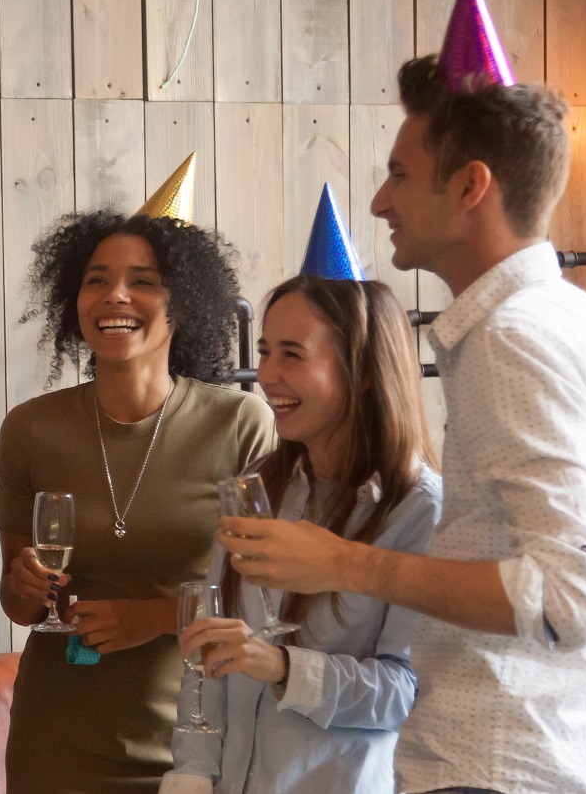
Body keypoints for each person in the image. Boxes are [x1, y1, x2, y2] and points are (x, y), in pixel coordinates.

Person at [219, 55, 586, 793]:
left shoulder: (513, 336)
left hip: (496, 758)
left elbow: (570, 597)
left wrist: (342, 563)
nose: (378, 200)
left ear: (470, 186)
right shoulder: (563, 316)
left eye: (398, 172)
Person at [0, 210, 276, 793]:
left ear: (185, 303)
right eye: (96, 279)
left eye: (142, 281)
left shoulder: (241, 423)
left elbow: (266, 602)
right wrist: (21, 586)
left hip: (198, 736)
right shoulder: (29, 429)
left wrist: (149, 618)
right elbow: (21, 607)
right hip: (56, 743)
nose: (114, 295)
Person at [164, 276, 442, 794]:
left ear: (361, 370)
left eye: (292, 355)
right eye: (265, 351)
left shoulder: (420, 510)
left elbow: (406, 692)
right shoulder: (258, 485)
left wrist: (283, 667)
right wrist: (191, 773)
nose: (267, 375)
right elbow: (208, 652)